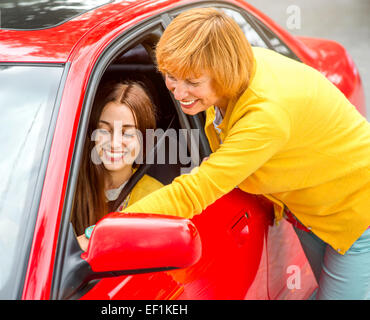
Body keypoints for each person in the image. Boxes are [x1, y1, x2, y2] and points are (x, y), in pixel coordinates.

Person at [121, 8, 370, 299]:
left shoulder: (265, 116)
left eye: (192, 82)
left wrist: (107, 231)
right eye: (170, 76)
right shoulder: (230, 71)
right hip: (309, 208)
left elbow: (194, 191)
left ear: (223, 74)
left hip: (355, 214)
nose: (178, 92)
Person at [72, 81, 163, 251]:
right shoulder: (70, 187)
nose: (114, 143)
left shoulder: (155, 195)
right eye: (104, 131)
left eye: (127, 133)